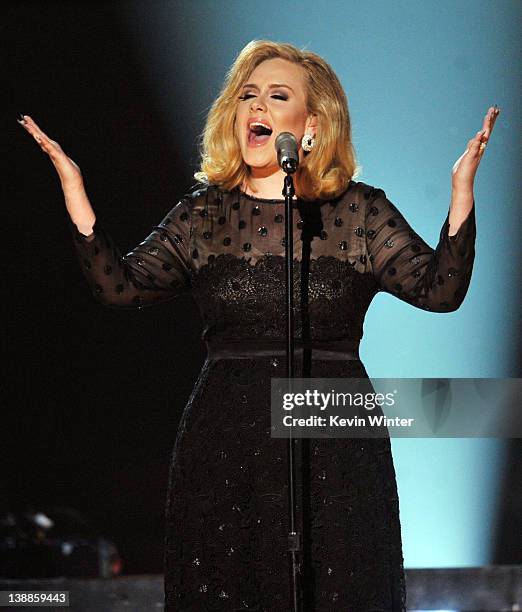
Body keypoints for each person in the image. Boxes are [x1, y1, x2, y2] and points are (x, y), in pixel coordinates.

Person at [18, 39, 499, 611]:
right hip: (227, 442)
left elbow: (440, 291)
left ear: (313, 125)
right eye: (248, 96)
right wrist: (75, 190)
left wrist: (461, 191)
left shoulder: (358, 212)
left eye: (277, 96)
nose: (258, 109)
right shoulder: (203, 215)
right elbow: (120, 288)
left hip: (334, 443)